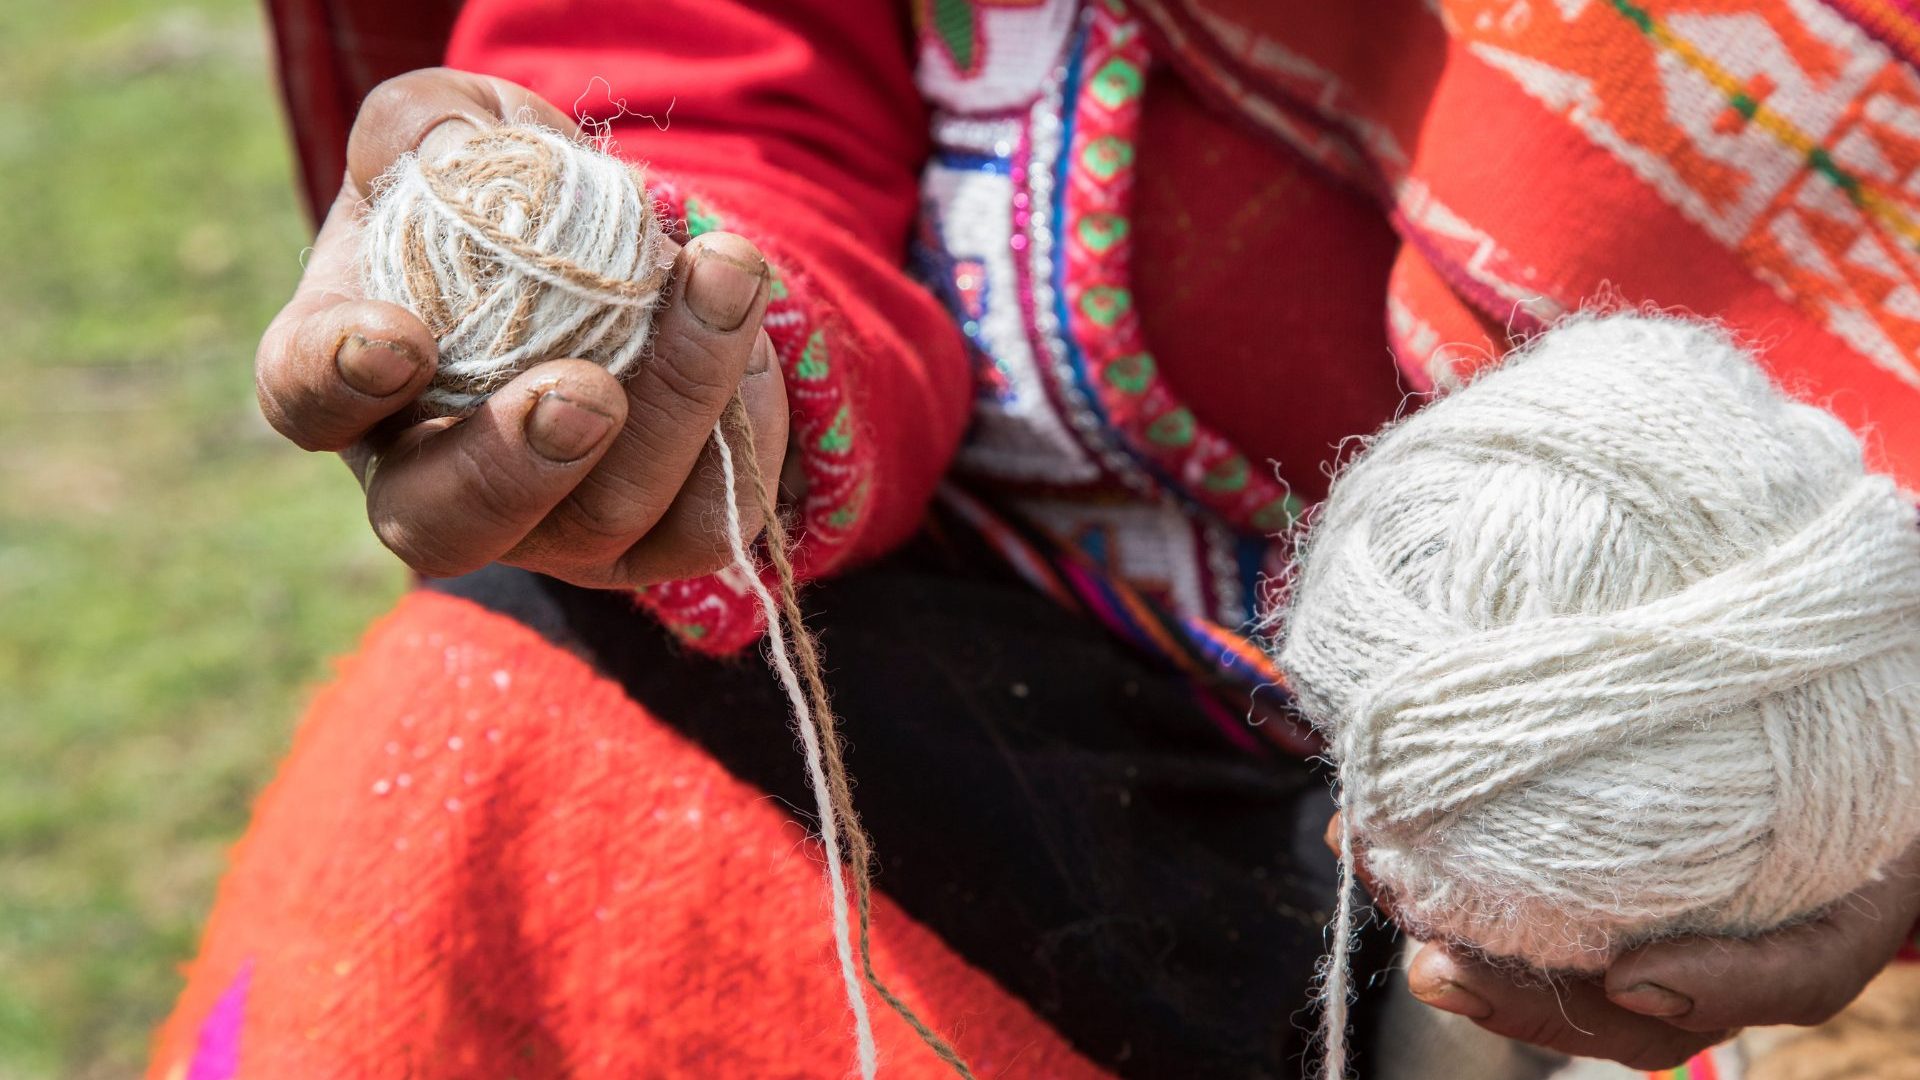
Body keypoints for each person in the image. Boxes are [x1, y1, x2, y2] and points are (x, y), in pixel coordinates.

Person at [152, 2, 1920, 1078]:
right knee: (490, 751)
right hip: (1007, 618)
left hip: (1766, 761)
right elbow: (717, 71)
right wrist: (705, 345)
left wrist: (1876, 790)